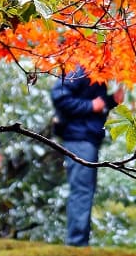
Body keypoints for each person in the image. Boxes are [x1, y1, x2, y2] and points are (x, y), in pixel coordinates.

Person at [50, 68, 121, 246]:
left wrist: (111, 101)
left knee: (84, 190)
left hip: (87, 137)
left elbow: (95, 103)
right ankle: (76, 244)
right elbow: (59, 95)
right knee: (82, 190)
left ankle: (79, 243)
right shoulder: (83, 67)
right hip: (79, 138)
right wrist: (90, 106)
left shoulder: (98, 70)